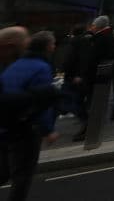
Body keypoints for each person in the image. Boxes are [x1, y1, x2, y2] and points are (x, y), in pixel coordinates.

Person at [0, 31, 59, 200]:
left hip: (5, 126)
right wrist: (48, 130)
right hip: (24, 127)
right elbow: (41, 105)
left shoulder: (14, 64)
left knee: (4, 172)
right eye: (53, 44)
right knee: (22, 176)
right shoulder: (41, 67)